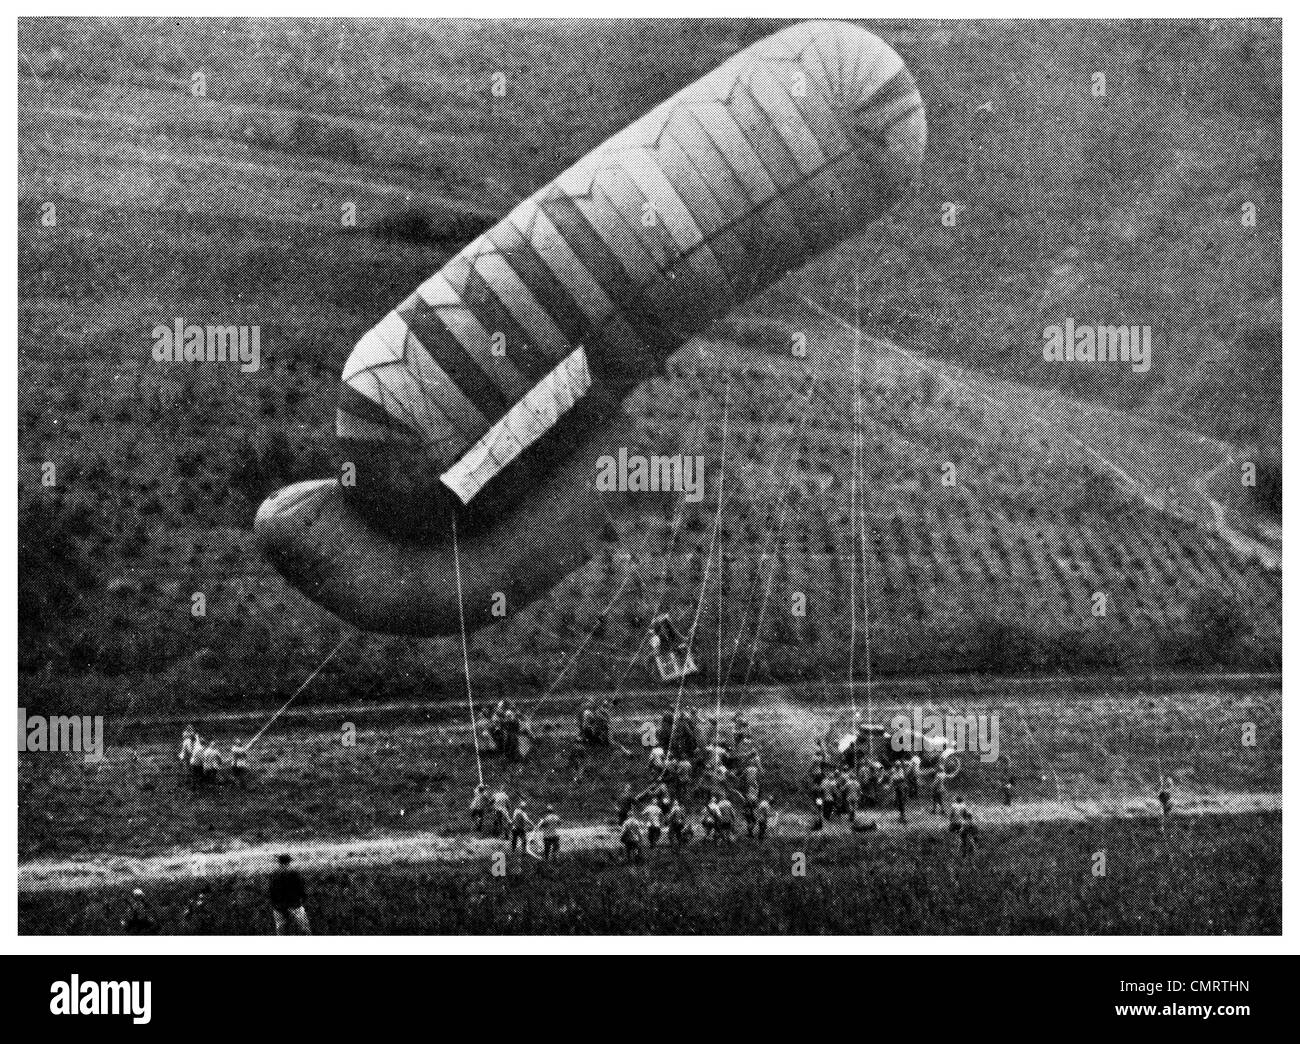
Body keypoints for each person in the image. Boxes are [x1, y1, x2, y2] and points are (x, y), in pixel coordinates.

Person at [268, 854, 311, 935]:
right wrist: (304, 899)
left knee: (281, 932)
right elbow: (301, 888)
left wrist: (274, 904)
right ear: (289, 862)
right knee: (305, 930)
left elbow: (271, 891)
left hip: (279, 906)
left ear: (279, 863)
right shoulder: (294, 873)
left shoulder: (274, 874)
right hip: (295, 905)